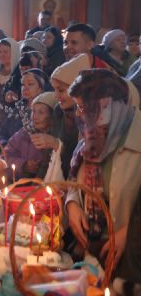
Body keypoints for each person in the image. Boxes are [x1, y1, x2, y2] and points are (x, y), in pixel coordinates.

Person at [66, 70, 141, 268]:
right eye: (78, 107)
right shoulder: (93, 135)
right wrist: (72, 204)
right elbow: (74, 180)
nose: (79, 114)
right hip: (93, 256)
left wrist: (130, 232)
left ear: (108, 108)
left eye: (84, 108)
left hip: (132, 263)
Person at [5, 92, 59, 181]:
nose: (35, 117)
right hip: (20, 184)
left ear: (52, 116)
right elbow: (6, 156)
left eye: (41, 112)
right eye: (33, 111)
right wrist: (24, 165)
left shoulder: (56, 139)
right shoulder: (24, 133)